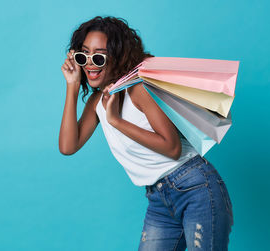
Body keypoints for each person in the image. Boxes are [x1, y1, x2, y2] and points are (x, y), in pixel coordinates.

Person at [59, 16, 234, 251]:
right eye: (83, 56)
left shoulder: (138, 89)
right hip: (158, 199)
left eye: (99, 56)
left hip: (195, 188)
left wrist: (116, 121)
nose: (90, 64)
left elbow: (173, 148)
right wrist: (72, 86)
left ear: (118, 56)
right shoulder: (96, 103)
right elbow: (68, 146)